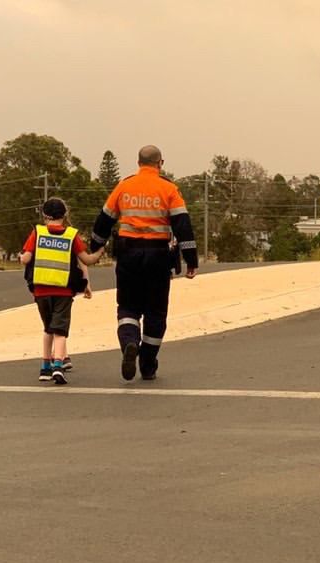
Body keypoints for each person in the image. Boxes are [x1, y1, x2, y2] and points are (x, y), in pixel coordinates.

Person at [89, 145, 198, 381]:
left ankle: (130, 342)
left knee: (127, 307)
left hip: (128, 255)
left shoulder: (124, 186)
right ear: (160, 163)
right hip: (158, 257)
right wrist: (191, 260)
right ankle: (148, 363)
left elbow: (104, 220)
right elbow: (182, 225)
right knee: (155, 312)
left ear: (138, 163)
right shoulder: (169, 189)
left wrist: (95, 246)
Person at [20, 197, 103, 384]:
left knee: (48, 328)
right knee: (60, 330)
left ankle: (45, 366)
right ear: (65, 215)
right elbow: (86, 260)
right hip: (64, 291)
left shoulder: (38, 233)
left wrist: (20, 257)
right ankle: (59, 364)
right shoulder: (71, 235)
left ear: (44, 215)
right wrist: (99, 253)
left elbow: (25, 258)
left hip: (41, 290)